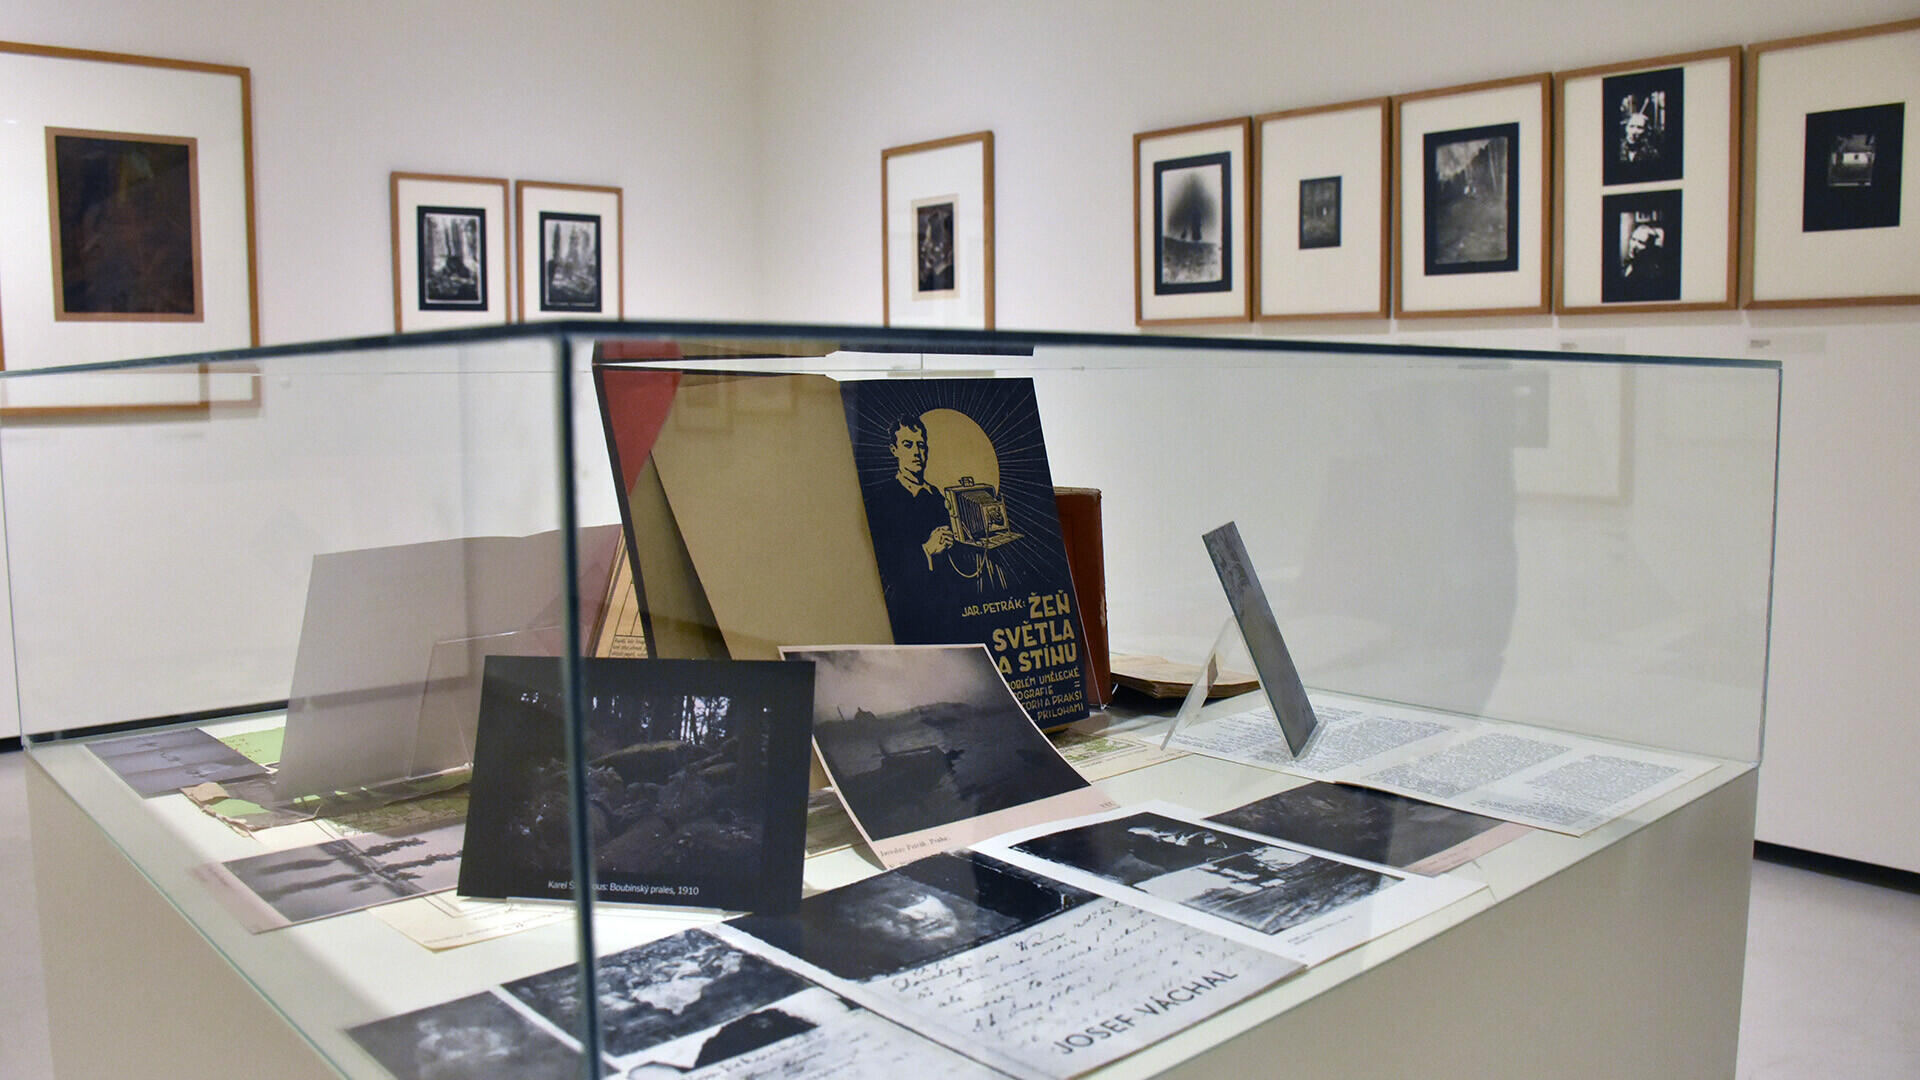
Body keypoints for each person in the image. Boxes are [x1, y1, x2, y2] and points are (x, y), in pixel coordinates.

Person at [867, 413, 1005, 595]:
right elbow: (887, 565)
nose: (916, 453)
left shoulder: (937, 495)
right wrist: (927, 549)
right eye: (907, 445)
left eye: (921, 445)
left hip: (951, 591)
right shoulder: (882, 500)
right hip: (914, 598)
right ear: (894, 450)